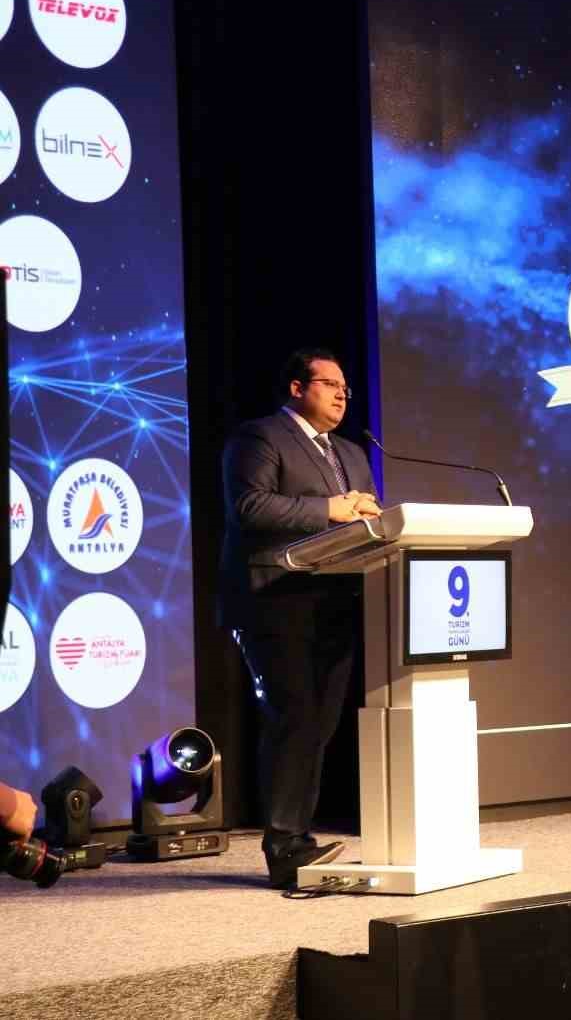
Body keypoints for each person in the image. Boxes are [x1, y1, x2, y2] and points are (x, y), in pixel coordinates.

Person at [220, 348, 381, 888]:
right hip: (273, 600)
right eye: (330, 384)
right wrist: (330, 509)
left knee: (319, 723)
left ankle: (299, 839)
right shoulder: (261, 437)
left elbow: (364, 520)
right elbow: (250, 507)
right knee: (294, 717)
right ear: (297, 388)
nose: (342, 395)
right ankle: (284, 846)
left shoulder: (352, 453)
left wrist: (373, 519)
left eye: (345, 388)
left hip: (334, 602)